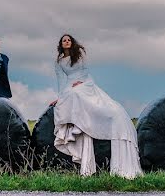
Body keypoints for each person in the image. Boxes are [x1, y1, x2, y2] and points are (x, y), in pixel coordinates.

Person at [49, 34, 142, 178]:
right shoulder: (59, 62)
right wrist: (60, 98)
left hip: (84, 83)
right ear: (61, 45)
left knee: (82, 95)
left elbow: (85, 72)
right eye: (64, 41)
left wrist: (81, 82)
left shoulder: (79, 56)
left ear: (72, 43)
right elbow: (61, 81)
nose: (66, 42)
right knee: (69, 98)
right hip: (69, 86)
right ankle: (77, 126)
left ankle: (86, 121)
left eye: (69, 40)